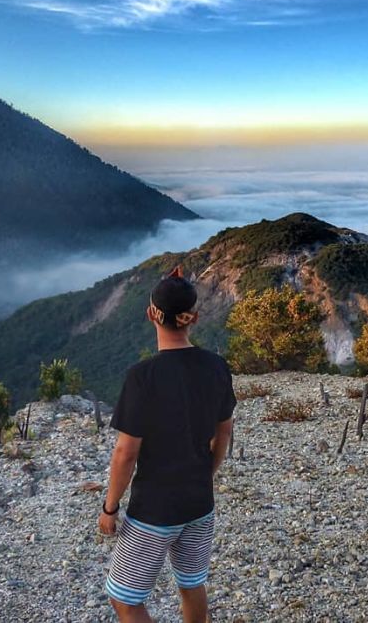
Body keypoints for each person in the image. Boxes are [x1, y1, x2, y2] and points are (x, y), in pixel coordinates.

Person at [98, 267, 236, 623]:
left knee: (125, 599)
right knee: (191, 583)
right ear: (193, 318)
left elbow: (126, 453)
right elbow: (223, 434)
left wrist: (110, 508)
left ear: (150, 315)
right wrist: (207, 472)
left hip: (154, 509)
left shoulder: (142, 377)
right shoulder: (217, 367)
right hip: (200, 502)